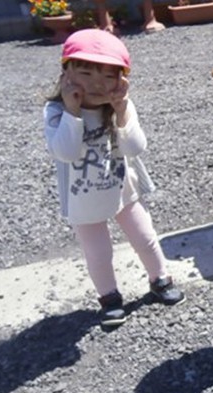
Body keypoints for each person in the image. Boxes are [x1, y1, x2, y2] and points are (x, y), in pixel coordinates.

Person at [42, 29, 185, 327]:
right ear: (66, 72)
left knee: (145, 238)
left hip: (122, 188)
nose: (96, 83)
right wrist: (72, 111)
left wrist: (121, 112)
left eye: (108, 75)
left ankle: (160, 279)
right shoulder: (56, 111)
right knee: (98, 253)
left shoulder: (120, 105)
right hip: (84, 198)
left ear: (122, 78)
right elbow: (65, 153)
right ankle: (109, 297)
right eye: (85, 71)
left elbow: (136, 148)